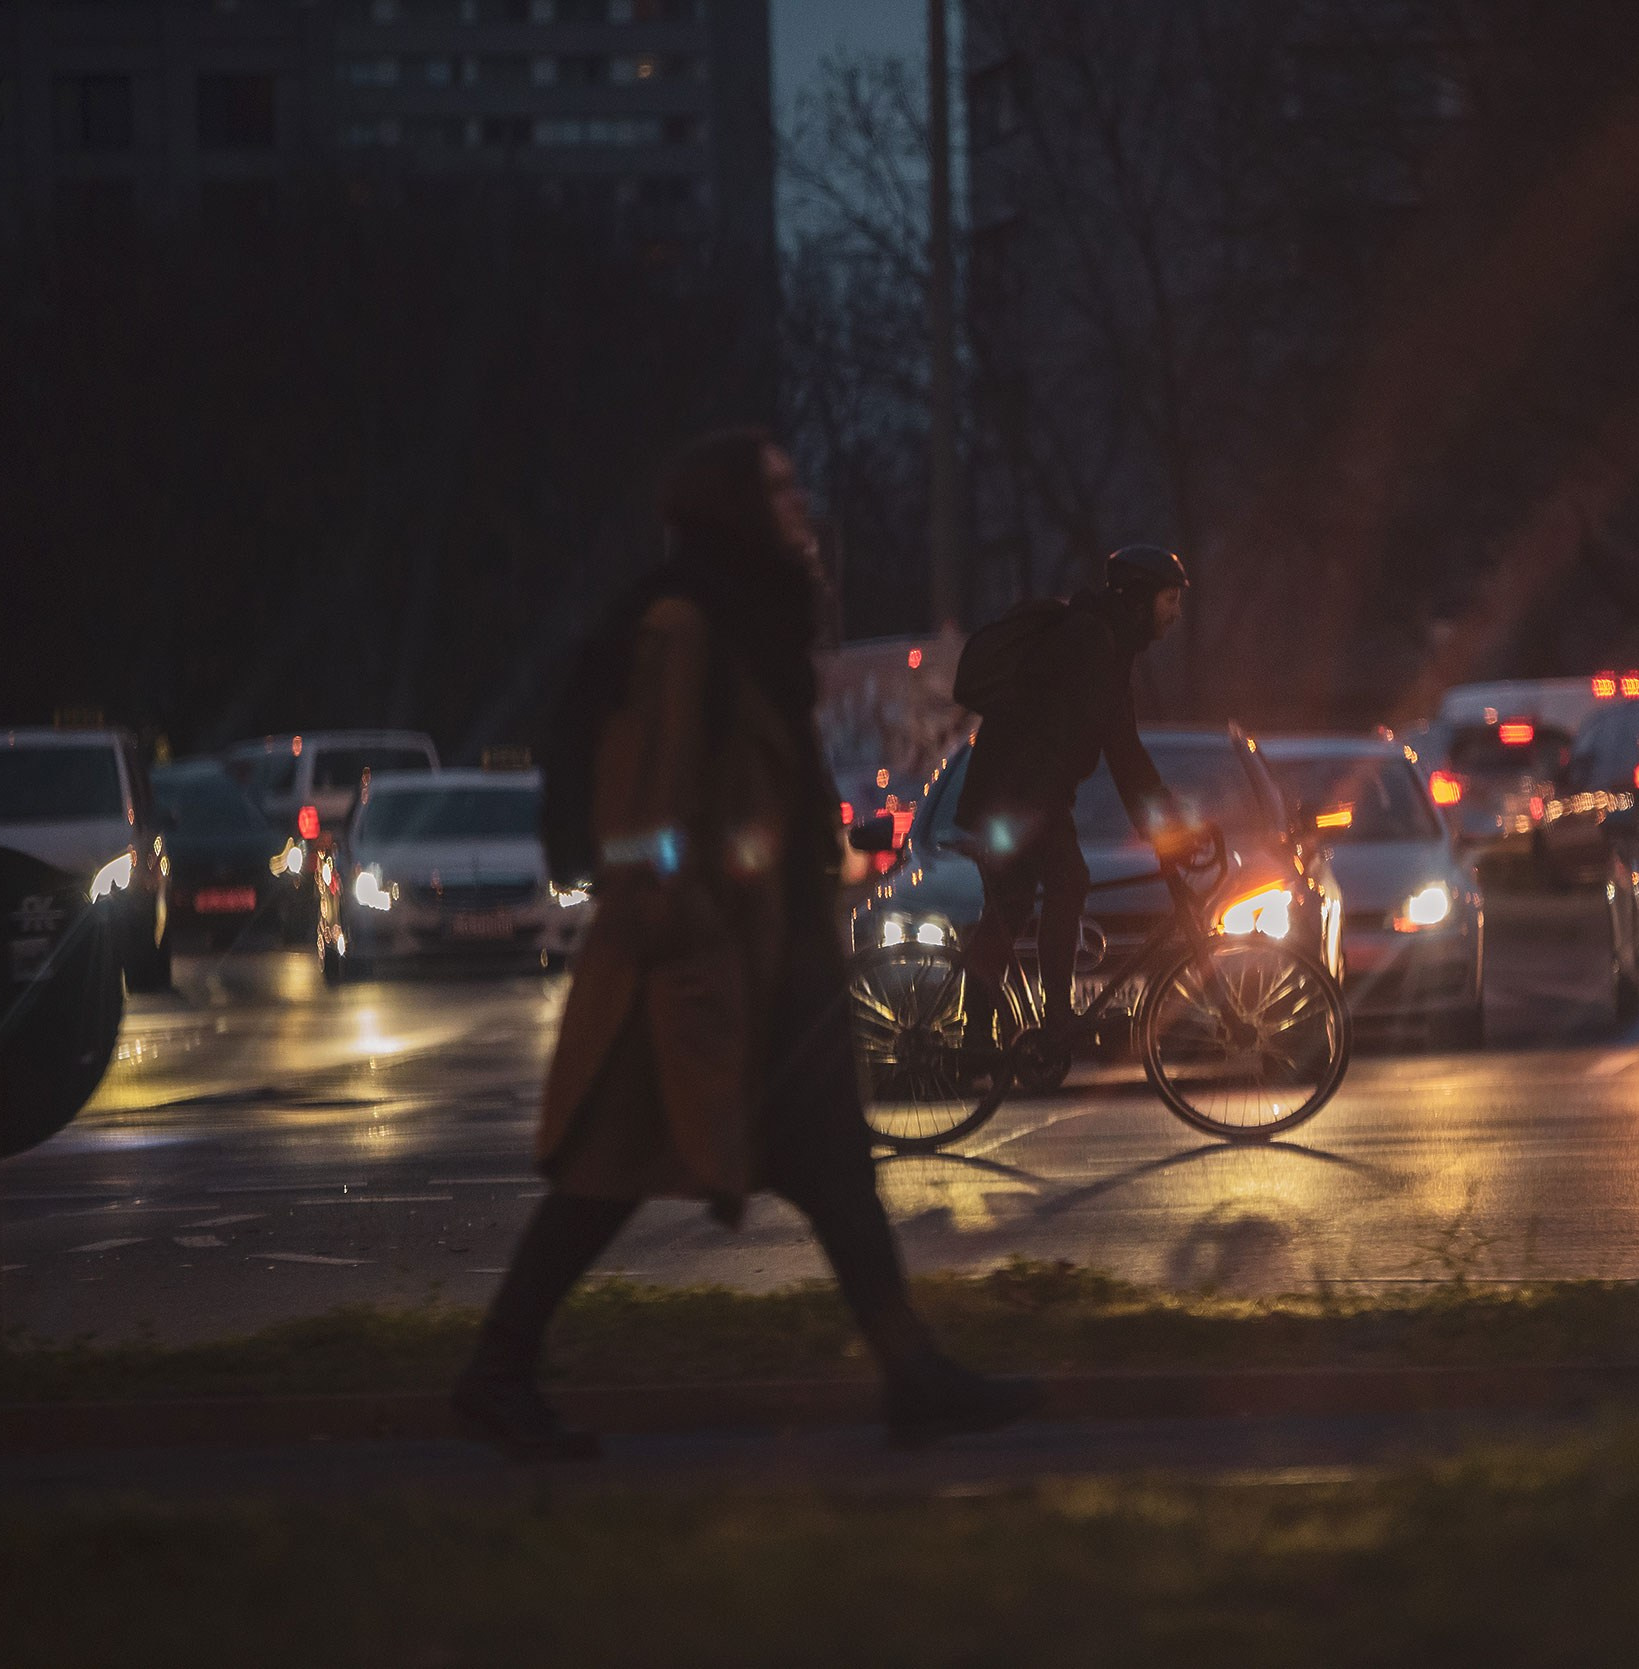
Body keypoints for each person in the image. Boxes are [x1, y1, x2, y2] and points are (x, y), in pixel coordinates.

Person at [455, 429, 1037, 1460]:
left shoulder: (748, 627)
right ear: (733, 511)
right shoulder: (685, 628)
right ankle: (495, 1372)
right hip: (697, 967)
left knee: (831, 1173)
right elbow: (647, 807)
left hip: (768, 958)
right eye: (776, 490)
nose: (799, 503)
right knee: (607, 1172)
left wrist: (829, 858)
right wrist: (680, 928)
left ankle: (912, 1376)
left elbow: (754, 798)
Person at [952, 546, 1194, 1042]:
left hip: (1021, 793)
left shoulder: (1107, 641)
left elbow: (1120, 744)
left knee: (1013, 904)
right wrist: (1165, 826)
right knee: (1068, 881)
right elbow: (1122, 750)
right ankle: (1056, 1016)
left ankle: (976, 1038)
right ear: (1138, 598)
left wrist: (1162, 823)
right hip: (1018, 796)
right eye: (1169, 599)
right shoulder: (1093, 642)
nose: (1176, 612)